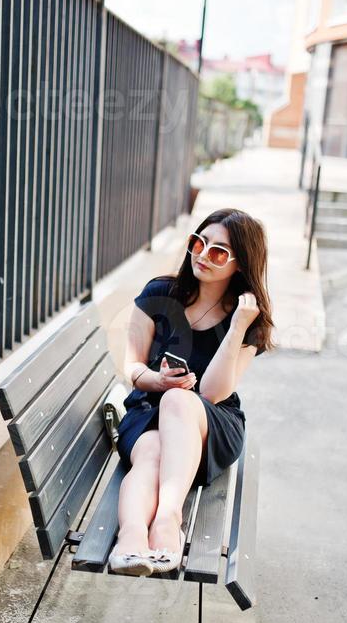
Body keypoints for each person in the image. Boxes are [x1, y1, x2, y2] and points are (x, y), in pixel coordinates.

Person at [109, 207, 274, 576]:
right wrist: (157, 381)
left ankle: (167, 523)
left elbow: (213, 393)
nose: (202, 255)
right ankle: (131, 541)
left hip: (208, 427)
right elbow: (133, 366)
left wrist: (235, 329)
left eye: (218, 252)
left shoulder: (250, 322)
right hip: (147, 412)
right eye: (199, 242)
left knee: (180, 401)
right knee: (150, 451)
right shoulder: (159, 294)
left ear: (241, 265)